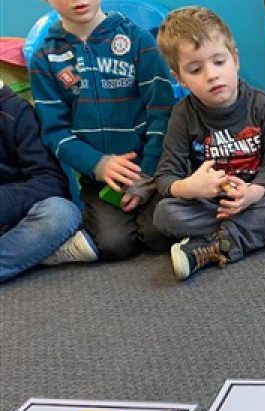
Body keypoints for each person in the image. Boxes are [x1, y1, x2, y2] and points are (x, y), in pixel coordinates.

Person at [154, 7, 265, 281]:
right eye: (195, 69)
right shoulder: (182, 115)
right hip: (212, 206)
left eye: (219, 62)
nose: (212, 75)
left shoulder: (263, 105)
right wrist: (190, 188)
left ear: (235, 60)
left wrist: (254, 192)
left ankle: (222, 243)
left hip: (255, 197)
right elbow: (165, 177)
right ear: (179, 78)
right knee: (164, 213)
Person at [29, 0, 175, 260]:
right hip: (100, 181)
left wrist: (147, 174)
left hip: (152, 169)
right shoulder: (45, 59)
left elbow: (162, 112)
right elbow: (54, 132)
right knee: (114, 245)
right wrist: (98, 164)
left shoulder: (137, 40)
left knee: (159, 235)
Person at [0, 80, 96, 283]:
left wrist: (5, 201)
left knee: (61, 213)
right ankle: (38, 253)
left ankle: (26, 252)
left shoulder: (17, 112)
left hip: (16, 218)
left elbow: (51, 181)